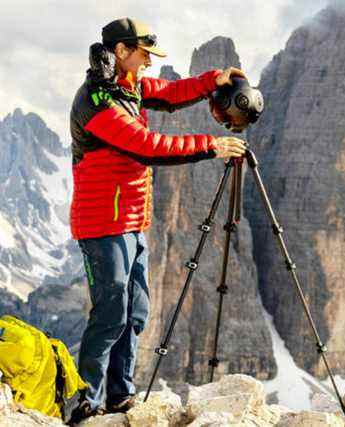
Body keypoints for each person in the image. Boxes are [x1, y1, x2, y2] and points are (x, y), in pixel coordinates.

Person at [67, 17, 247, 424]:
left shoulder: (127, 86)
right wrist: (211, 145)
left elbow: (168, 93)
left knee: (135, 312)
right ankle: (86, 403)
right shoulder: (96, 100)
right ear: (121, 52)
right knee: (110, 313)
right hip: (102, 225)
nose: (149, 61)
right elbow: (146, 146)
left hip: (132, 221)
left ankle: (120, 395)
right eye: (144, 54)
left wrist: (211, 80)